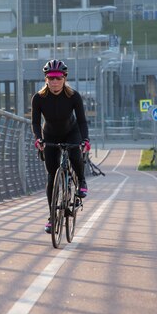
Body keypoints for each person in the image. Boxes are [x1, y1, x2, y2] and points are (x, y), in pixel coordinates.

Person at [32, 59, 91, 233]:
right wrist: (38, 139)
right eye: (51, 78)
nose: (54, 82)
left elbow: (81, 121)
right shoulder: (39, 98)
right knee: (51, 175)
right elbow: (35, 122)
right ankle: (52, 216)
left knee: (74, 155)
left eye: (58, 78)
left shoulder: (73, 96)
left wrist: (85, 140)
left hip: (71, 132)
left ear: (64, 78)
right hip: (49, 135)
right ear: (46, 79)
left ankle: (81, 180)